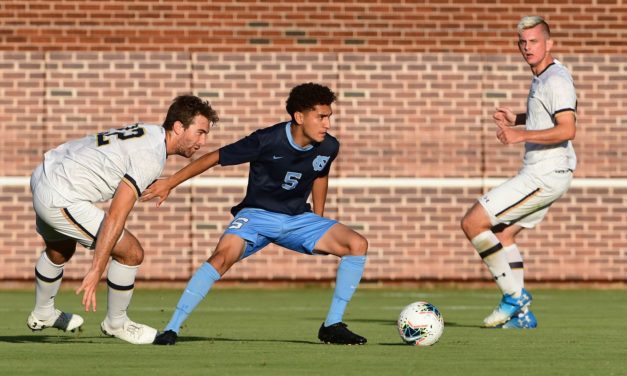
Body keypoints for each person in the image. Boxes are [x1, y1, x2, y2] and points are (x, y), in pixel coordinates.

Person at [141, 82, 369, 346]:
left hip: (297, 219)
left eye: (329, 117)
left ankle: (332, 325)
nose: (327, 123)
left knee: (357, 244)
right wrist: (169, 182)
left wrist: (318, 217)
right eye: (321, 117)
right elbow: (213, 157)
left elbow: (321, 174)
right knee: (221, 258)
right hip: (256, 216)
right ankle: (172, 328)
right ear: (299, 117)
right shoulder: (266, 139)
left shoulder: (329, 147)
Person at [28, 95, 219, 344]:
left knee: (60, 248)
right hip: (60, 195)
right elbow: (116, 214)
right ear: (179, 127)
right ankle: (116, 323)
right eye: (200, 132)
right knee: (131, 252)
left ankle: (42, 313)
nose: (203, 142)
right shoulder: (150, 155)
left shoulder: (150, 132)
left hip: (45, 172)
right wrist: (97, 268)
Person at [461, 16, 577, 329]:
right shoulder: (543, 77)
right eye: (523, 43)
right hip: (549, 172)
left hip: (545, 173)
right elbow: (548, 114)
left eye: (534, 41)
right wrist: (518, 118)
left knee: (473, 222)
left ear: (549, 43)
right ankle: (523, 318)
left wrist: (520, 135)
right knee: (504, 235)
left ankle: (515, 298)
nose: (528, 48)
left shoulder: (556, 79)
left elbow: (567, 129)